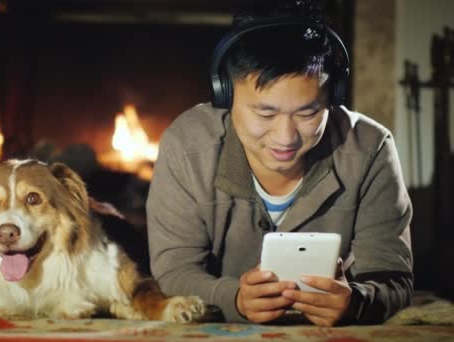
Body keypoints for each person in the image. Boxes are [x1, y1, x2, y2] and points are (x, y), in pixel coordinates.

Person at [146, 8, 413, 326]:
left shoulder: (371, 148)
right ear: (225, 94)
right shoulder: (188, 145)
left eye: (308, 113)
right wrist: (234, 299)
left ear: (333, 96)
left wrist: (356, 302)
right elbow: (174, 272)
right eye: (265, 114)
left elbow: (393, 280)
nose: (286, 138)